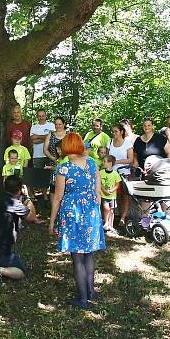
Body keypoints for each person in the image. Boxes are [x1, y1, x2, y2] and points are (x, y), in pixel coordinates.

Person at [49, 132, 105, 311]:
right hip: (91, 212)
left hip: (73, 213)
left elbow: (57, 198)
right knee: (88, 254)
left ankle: (82, 298)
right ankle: (90, 291)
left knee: (77, 257)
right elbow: (98, 191)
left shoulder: (63, 169)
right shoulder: (92, 163)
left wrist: (51, 222)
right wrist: (95, 207)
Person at [108, 123, 134, 222]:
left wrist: (116, 161)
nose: (114, 133)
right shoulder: (109, 142)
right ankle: (110, 218)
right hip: (110, 172)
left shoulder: (127, 143)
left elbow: (130, 159)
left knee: (124, 196)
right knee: (110, 195)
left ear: (121, 132)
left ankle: (123, 217)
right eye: (112, 131)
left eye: (116, 131)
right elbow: (107, 157)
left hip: (123, 172)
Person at [100, 155, 122, 232]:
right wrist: (104, 190)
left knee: (112, 211)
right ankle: (105, 222)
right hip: (104, 195)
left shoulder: (115, 174)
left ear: (110, 163)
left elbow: (117, 184)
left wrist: (112, 190)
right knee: (106, 208)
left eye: (104, 161)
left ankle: (110, 225)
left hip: (112, 196)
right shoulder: (101, 172)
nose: (103, 163)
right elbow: (99, 183)